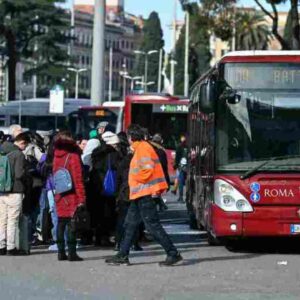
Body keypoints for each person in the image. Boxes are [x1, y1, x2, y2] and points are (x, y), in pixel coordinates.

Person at [106, 124, 182, 266]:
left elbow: (146, 170)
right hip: (139, 194)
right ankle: (122, 255)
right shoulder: (140, 148)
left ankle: (173, 253)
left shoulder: (143, 149)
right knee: (130, 225)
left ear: (131, 137)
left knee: (153, 226)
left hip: (145, 193)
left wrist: (135, 178)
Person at [53, 131, 86, 261]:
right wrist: (82, 198)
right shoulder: (73, 156)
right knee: (72, 224)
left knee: (61, 223)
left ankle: (61, 252)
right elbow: (78, 179)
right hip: (72, 194)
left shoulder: (56, 156)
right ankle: (72, 253)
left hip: (60, 193)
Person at [0, 132, 29, 255]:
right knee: (13, 219)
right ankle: (11, 247)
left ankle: (1, 245)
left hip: (2, 191)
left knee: (2, 219)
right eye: (25, 145)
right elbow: (19, 174)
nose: (25, 148)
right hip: (15, 191)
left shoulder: (2, 151)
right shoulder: (19, 155)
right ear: (22, 142)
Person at [90, 131, 120, 247]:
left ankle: (97, 237)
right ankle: (104, 237)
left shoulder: (96, 152)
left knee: (97, 212)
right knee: (108, 213)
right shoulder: (113, 154)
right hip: (109, 187)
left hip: (96, 186)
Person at [115, 132, 143, 252]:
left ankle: (118, 242)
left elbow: (119, 179)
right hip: (135, 192)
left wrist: (117, 194)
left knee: (122, 219)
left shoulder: (123, 162)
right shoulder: (138, 161)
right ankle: (134, 243)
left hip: (123, 193)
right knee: (135, 219)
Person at [150, 133, 170, 211]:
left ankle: (161, 204)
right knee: (155, 194)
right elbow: (164, 167)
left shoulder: (148, 149)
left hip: (148, 179)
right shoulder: (161, 152)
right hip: (157, 178)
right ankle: (160, 204)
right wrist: (167, 181)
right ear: (160, 141)